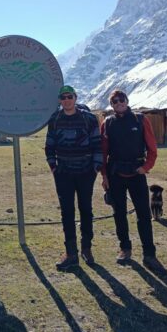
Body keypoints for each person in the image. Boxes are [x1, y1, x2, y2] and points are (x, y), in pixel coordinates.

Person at [100, 89, 167, 274]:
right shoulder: (107, 123)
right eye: (115, 101)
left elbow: (152, 148)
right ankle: (125, 249)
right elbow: (103, 152)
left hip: (137, 173)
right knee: (119, 213)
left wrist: (146, 167)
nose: (119, 103)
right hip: (115, 175)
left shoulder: (140, 120)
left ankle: (149, 254)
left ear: (127, 101)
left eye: (122, 99)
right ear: (111, 104)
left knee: (144, 215)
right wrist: (104, 176)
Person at [45, 85, 102, 269]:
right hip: (64, 174)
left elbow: (97, 144)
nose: (66, 100)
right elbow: (49, 145)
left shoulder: (89, 118)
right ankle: (71, 253)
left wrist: (95, 168)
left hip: (86, 172)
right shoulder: (55, 119)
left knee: (86, 209)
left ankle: (87, 248)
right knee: (67, 212)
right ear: (60, 100)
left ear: (75, 98)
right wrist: (53, 167)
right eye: (63, 97)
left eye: (69, 96)